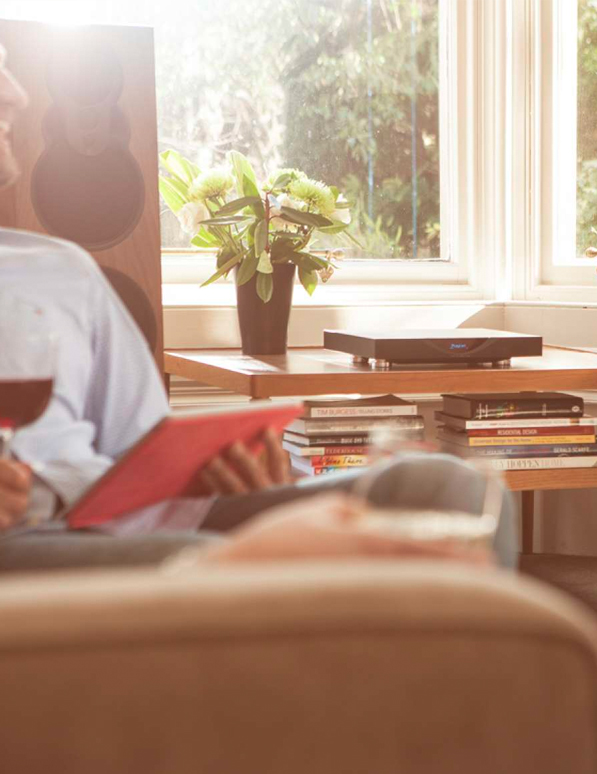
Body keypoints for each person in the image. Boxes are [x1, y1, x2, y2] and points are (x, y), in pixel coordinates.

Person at [0, 41, 516, 570]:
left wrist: (211, 470)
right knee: (202, 563)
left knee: (447, 489)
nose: (16, 94)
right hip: (23, 548)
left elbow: (141, 451)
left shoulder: (62, 269)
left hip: (124, 522)